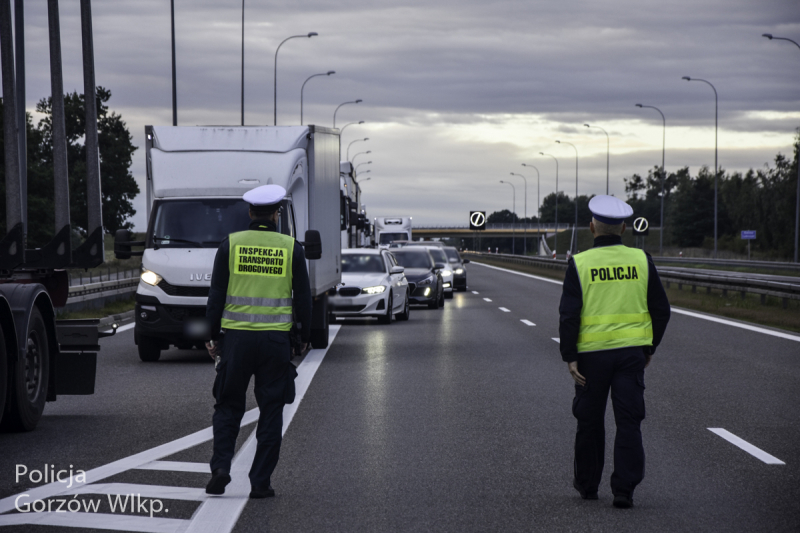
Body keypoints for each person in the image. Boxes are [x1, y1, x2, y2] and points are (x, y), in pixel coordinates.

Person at [558, 195, 670, 509]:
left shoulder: (579, 263)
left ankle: (588, 486)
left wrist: (570, 357)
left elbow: (569, 315)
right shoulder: (641, 260)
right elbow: (661, 310)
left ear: (591, 226)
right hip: (631, 356)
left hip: (591, 359)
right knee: (629, 421)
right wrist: (649, 347)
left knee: (589, 421)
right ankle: (624, 491)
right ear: (624, 228)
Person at [204, 184, 312, 499]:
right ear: (276, 215)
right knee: (271, 409)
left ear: (251, 213)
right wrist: (303, 337)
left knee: (227, 406)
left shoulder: (230, 245)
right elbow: (303, 298)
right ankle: (260, 482)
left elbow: (216, 296)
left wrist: (211, 335)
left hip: (236, 341)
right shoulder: (292, 248)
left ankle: (221, 468)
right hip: (275, 343)